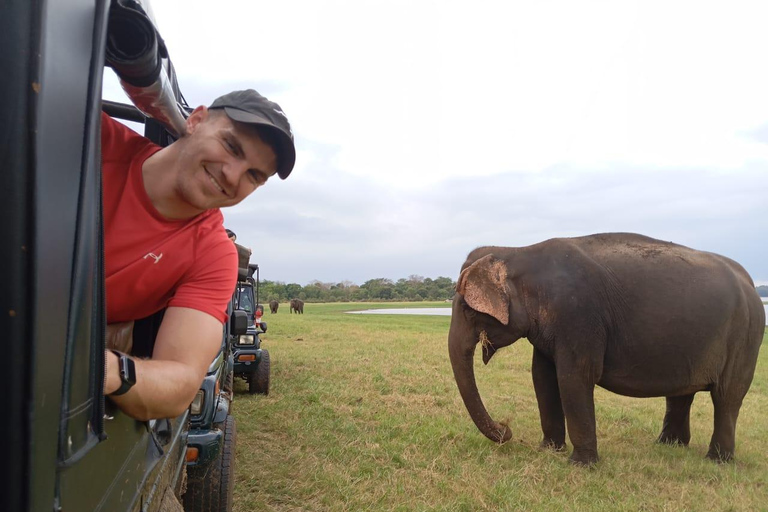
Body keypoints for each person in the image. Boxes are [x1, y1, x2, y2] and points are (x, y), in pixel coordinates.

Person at [102, 89, 295, 420]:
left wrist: (98, 368)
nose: (232, 176)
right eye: (231, 147)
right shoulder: (94, 140)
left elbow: (179, 382)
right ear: (196, 120)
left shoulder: (213, 254)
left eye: (253, 175)